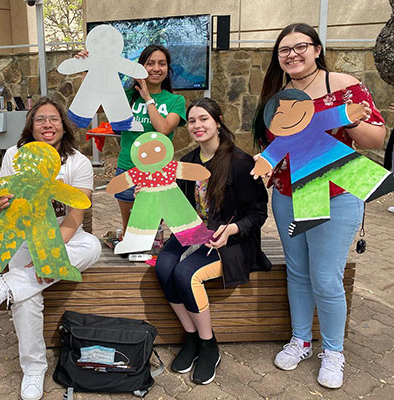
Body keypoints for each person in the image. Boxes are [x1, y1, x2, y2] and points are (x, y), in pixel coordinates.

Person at [252, 23, 386, 389]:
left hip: (336, 195)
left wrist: (348, 117)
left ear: (317, 49)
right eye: (284, 50)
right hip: (286, 195)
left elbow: (377, 136)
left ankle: (333, 351)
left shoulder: (344, 85)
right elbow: (277, 147)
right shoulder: (278, 97)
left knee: (326, 277)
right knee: (297, 271)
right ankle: (301, 340)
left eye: (300, 47)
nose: (292, 54)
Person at [0, 97, 102, 400]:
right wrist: (4, 202)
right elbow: (5, 201)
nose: (47, 124)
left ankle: (5, 285)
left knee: (93, 246)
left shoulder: (78, 162)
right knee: (28, 299)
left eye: (54, 119)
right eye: (40, 119)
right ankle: (33, 369)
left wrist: (48, 255)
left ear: (63, 125)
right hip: (24, 233)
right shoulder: (14, 155)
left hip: (64, 235)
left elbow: (74, 215)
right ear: (30, 125)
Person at [155, 98, 271, 385]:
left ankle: (209, 344)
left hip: (231, 239)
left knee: (186, 274)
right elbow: (183, 207)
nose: (197, 125)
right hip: (194, 231)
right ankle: (191, 337)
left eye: (204, 119)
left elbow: (258, 213)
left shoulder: (241, 163)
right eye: (192, 121)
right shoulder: (188, 162)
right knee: (164, 266)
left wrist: (231, 230)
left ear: (218, 122)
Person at [76, 44, 186, 234]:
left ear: (168, 69)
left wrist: (148, 98)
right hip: (128, 167)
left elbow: (163, 129)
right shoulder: (127, 97)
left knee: (152, 230)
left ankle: (151, 260)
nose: (156, 68)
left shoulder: (176, 101)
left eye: (162, 63)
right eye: (150, 63)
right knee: (129, 229)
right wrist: (88, 68)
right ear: (141, 67)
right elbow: (94, 104)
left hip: (158, 170)